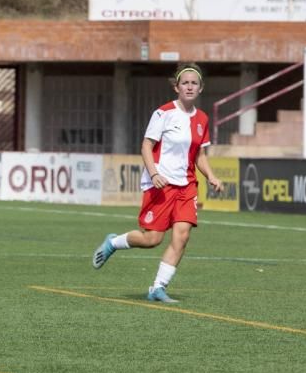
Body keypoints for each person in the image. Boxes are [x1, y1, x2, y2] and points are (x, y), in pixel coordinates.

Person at [92, 63, 223, 303]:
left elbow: (200, 156)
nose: (190, 86)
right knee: (152, 239)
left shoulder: (202, 119)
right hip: (160, 183)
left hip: (187, 186)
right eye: (185, 82)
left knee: (181, 236)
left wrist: (211, 176)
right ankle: (113, 242)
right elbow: (146, 146)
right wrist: (153, 174)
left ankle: (158, 287)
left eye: (194, 83)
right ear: (177, 87)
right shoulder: (163, 113)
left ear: (201, 88)